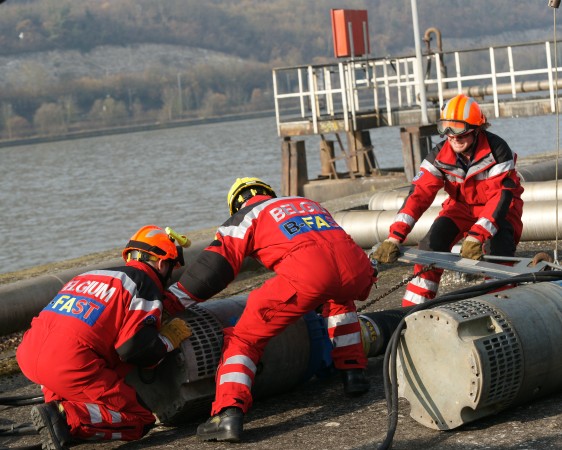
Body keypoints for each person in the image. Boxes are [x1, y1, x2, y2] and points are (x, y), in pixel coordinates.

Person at [179, 177, 377, 442]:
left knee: (243, 338)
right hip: (358, 270)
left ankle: (227, 413)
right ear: (269, 192)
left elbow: (212, 267)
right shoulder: (307, 203)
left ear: (236, 204)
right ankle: (354, 374)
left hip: (309, 276)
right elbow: (335, 244)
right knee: (339, 301)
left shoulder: (248, 214)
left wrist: (173, 300)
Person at [16, 225, 194, 449]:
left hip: (29, 355)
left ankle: (58, 407)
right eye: (171, 267)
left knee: (101, 368)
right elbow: (135, 350)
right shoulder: (144, 284)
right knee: (139, 419)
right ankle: (64, 417)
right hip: (69, 365)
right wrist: (167, 340)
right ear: (162, 263)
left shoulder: (89, 275)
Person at [372, 94, 524, 307]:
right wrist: (394, 236)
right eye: (446, 129)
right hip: (460, 207)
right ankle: (413, 311)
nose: (452, 137)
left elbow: (500, 197)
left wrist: (477, 236)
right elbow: (418, 196)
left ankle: (504, 305)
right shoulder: (439, 156)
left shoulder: (497, 151)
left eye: (458, 131)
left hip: (500, 210)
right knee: (429, 249)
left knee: (497, 255)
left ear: (475, 129)